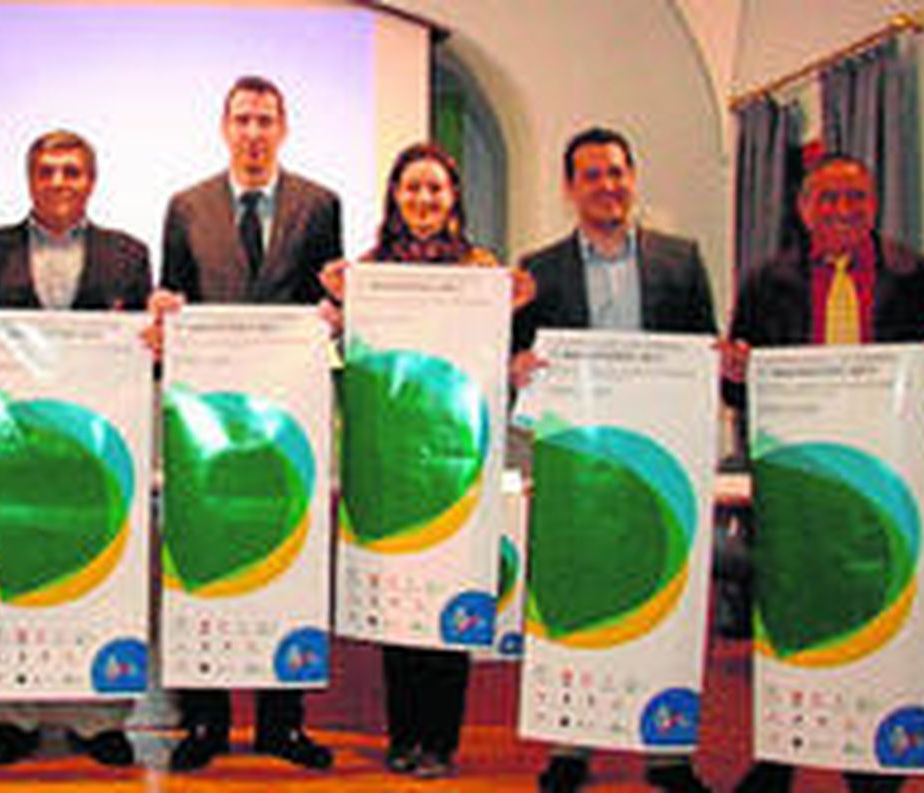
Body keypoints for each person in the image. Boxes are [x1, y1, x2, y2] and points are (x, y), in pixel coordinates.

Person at [723, 154, 924, 793]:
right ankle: (780, 752)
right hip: (802, 480)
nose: (843, 210)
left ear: (875, 203)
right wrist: (734, 372)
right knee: (792, 614)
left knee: (884, 610)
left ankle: (874, 759)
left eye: (856, 197)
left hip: (897, 479)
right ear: (803, 208)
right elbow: (742, 394)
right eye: (828, 199)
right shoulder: (767, 282)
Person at [318, 142, 533, 779]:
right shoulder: (369, 271)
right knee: (401, 607)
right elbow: (344, 361)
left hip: (458, 463)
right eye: (412, 189)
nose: (424, 200)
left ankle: (440, 742)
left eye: (435, 189)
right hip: (391, 467)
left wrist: (516, 309)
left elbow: (507, 362)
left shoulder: (482, 268)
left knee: (452, 605)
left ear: (454, 198)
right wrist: (337, 310)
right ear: (395, 198)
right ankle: (403, 737)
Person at [513, 127, 715, 793]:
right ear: (570, 189)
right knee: (574, 595)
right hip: (577, 466)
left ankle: (667, 754)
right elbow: (512, 361)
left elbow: (702, 351)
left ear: (634, 177)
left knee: (663, 592)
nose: (607, 185)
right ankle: (570, 745)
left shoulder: (680, 260)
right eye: (592, 175)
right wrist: (515, 367)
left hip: (659, 465)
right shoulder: (536, 270)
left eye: (617, 172)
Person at [154, 74, 341, 773]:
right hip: (208, 421)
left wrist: (335, 316)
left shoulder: (321, 204)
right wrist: (164, 310)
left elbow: (326, 298)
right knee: (208, 556)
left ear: (283, 128)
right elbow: (172, 294)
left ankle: (280, 724)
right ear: (224, 127)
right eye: (243, 120)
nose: (254, 132)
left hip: (288, 418)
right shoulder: (186, 206)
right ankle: (202, 721)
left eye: (266, 120)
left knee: (285, 552)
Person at [0, 130, 149, 768]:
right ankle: (12, 714)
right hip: (14, 444)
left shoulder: (129, 254)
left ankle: (98, 718)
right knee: (17, 567)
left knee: (97, 565)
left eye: (73, 171)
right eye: (47, 171)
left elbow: (139, 347)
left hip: (94, 446)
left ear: (91, 181)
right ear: (30, 179)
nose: (60, 182)